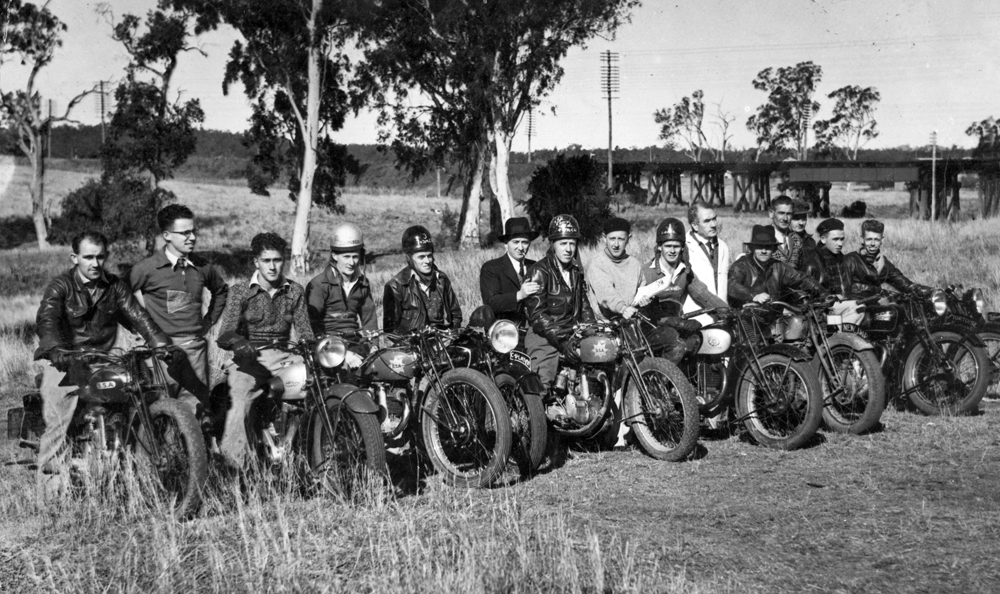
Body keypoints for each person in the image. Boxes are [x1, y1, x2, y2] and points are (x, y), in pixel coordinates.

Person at [34, 231, 171, 475]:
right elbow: (47, 320)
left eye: (100, 257)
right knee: (59, 418)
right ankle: (50, 490)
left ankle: (134, 459)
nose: (95, 263)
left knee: (143, 392)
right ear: (74, 258)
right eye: (88, 257)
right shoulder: (60, 286)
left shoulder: (115, 286)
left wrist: (161, 344)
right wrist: (55, 350)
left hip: (104, 360)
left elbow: (139, 316)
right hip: (66, 362)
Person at [215, 232, 314, 467]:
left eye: (278, 260)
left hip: (286, 355)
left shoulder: (295, 291)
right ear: (256, 262)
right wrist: (238, 343)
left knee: (316, 387)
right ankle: (236, 466)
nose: (272, 266)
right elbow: (224, 334)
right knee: (240, 396)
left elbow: (305, 332)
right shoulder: (240, 291)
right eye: (267, 260)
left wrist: (311, 351)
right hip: (250, 358)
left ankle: (311, 451)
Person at [129, 204, 228, 418]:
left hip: (195, 349)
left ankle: (190, 451)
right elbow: (120, 295)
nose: (192, 237)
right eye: (184, 233)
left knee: (195, 411)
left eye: (194, 232)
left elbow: (221, 291)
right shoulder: (146, 268)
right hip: (161, 352)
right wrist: (141, 327)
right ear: (167, 235)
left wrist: (209, 321)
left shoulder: (203, 267)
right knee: (160, 409)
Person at [636, 218, 728, 363]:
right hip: (650, 328)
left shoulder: (684, 271)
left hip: (675, 325)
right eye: (668, 246)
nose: (672, 251)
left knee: (703, 340)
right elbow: (637, 305)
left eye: (676, 246)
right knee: (677, 345)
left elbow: (703, 294)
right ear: (659, 247)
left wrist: (726, 310)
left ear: (682, 248)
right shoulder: (647, 272)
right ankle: (661, 382)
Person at [524, 214, 595, 393]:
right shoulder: (539, 271)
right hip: (545, 334)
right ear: (553, 244)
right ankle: (535, 417)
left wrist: (592, 329)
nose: (568, 249)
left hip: (571, 332)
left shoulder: (576, 272)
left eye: (572, 243)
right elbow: (538, 316)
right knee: (542, 382)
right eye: (563, 243)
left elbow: (584, 306)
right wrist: (562, 342)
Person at [306, 223, 377, 367]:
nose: (352, 262)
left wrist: (374, 346)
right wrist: (342, 353)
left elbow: (369, 319)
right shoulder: (319, 285)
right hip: (327, 346)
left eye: (355, 257)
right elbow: (312, 326)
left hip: (354, 342)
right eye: (346, 257)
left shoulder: (362, 283)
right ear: (334, 256)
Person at [383, 225, 462, 334]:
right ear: (409, 258)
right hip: (413, 346)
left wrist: (450, 335)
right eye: (421, 257)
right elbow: (390, 330)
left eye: (429, 256)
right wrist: (411, 343)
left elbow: (456, 316)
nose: (427, 261)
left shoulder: (442, 279)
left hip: (444, 341)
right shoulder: (396, 286)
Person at [727, 225, 828, 308]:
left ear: (774, 249)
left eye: (768, 247)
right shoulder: (741, 265)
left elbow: (801, 278)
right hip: (745, 319)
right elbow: (732, 285)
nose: (763, 251)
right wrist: (753, 295)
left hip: (773, 317)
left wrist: (823, 293)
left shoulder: (778, 267)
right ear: (752, 248)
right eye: (759, 246)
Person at [842, 219, 930, 298]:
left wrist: (931, 292)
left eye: (876, 239)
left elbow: (905, 285)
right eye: (869, 239)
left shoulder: (884, 263)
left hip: (876, 309)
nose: (873, 244)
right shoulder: (850, 260)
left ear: (882, 240)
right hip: (856, 311)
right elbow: (844, 293)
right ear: (862, 239)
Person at [479, 216, 539, 329]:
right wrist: (519, 295)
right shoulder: (491, 268)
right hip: (504, 332)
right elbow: (491, 303)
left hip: (534, 329)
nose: (520, 247)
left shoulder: (536, 267)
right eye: (516, 242)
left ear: (530, 244)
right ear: (506, 243)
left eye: (525, 242)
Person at [586, 217, 646, 320]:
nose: (616, 245)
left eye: (621, 239)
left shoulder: (634, 264)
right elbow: (606, 293)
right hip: (606, 325)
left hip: (631, 322)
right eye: (612, 239)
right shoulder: (598, 262)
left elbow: (642, 290)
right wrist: (622, 308)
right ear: (604, 238)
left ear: (628, 238)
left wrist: (645, 299)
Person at [683, 203, 730, 323]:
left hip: (723, 319)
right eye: (707, 221)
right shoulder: (684, 248)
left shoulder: (723, 246)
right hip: (697, 318)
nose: (714, 224)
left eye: (714, 219)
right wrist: (721, 308)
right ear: (695, 226)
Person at [765, 195, 803, 268]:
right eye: (781, 213)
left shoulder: (797, 239)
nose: (785, 218)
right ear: (771, 213)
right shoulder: (761, 238)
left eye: (789, 214)